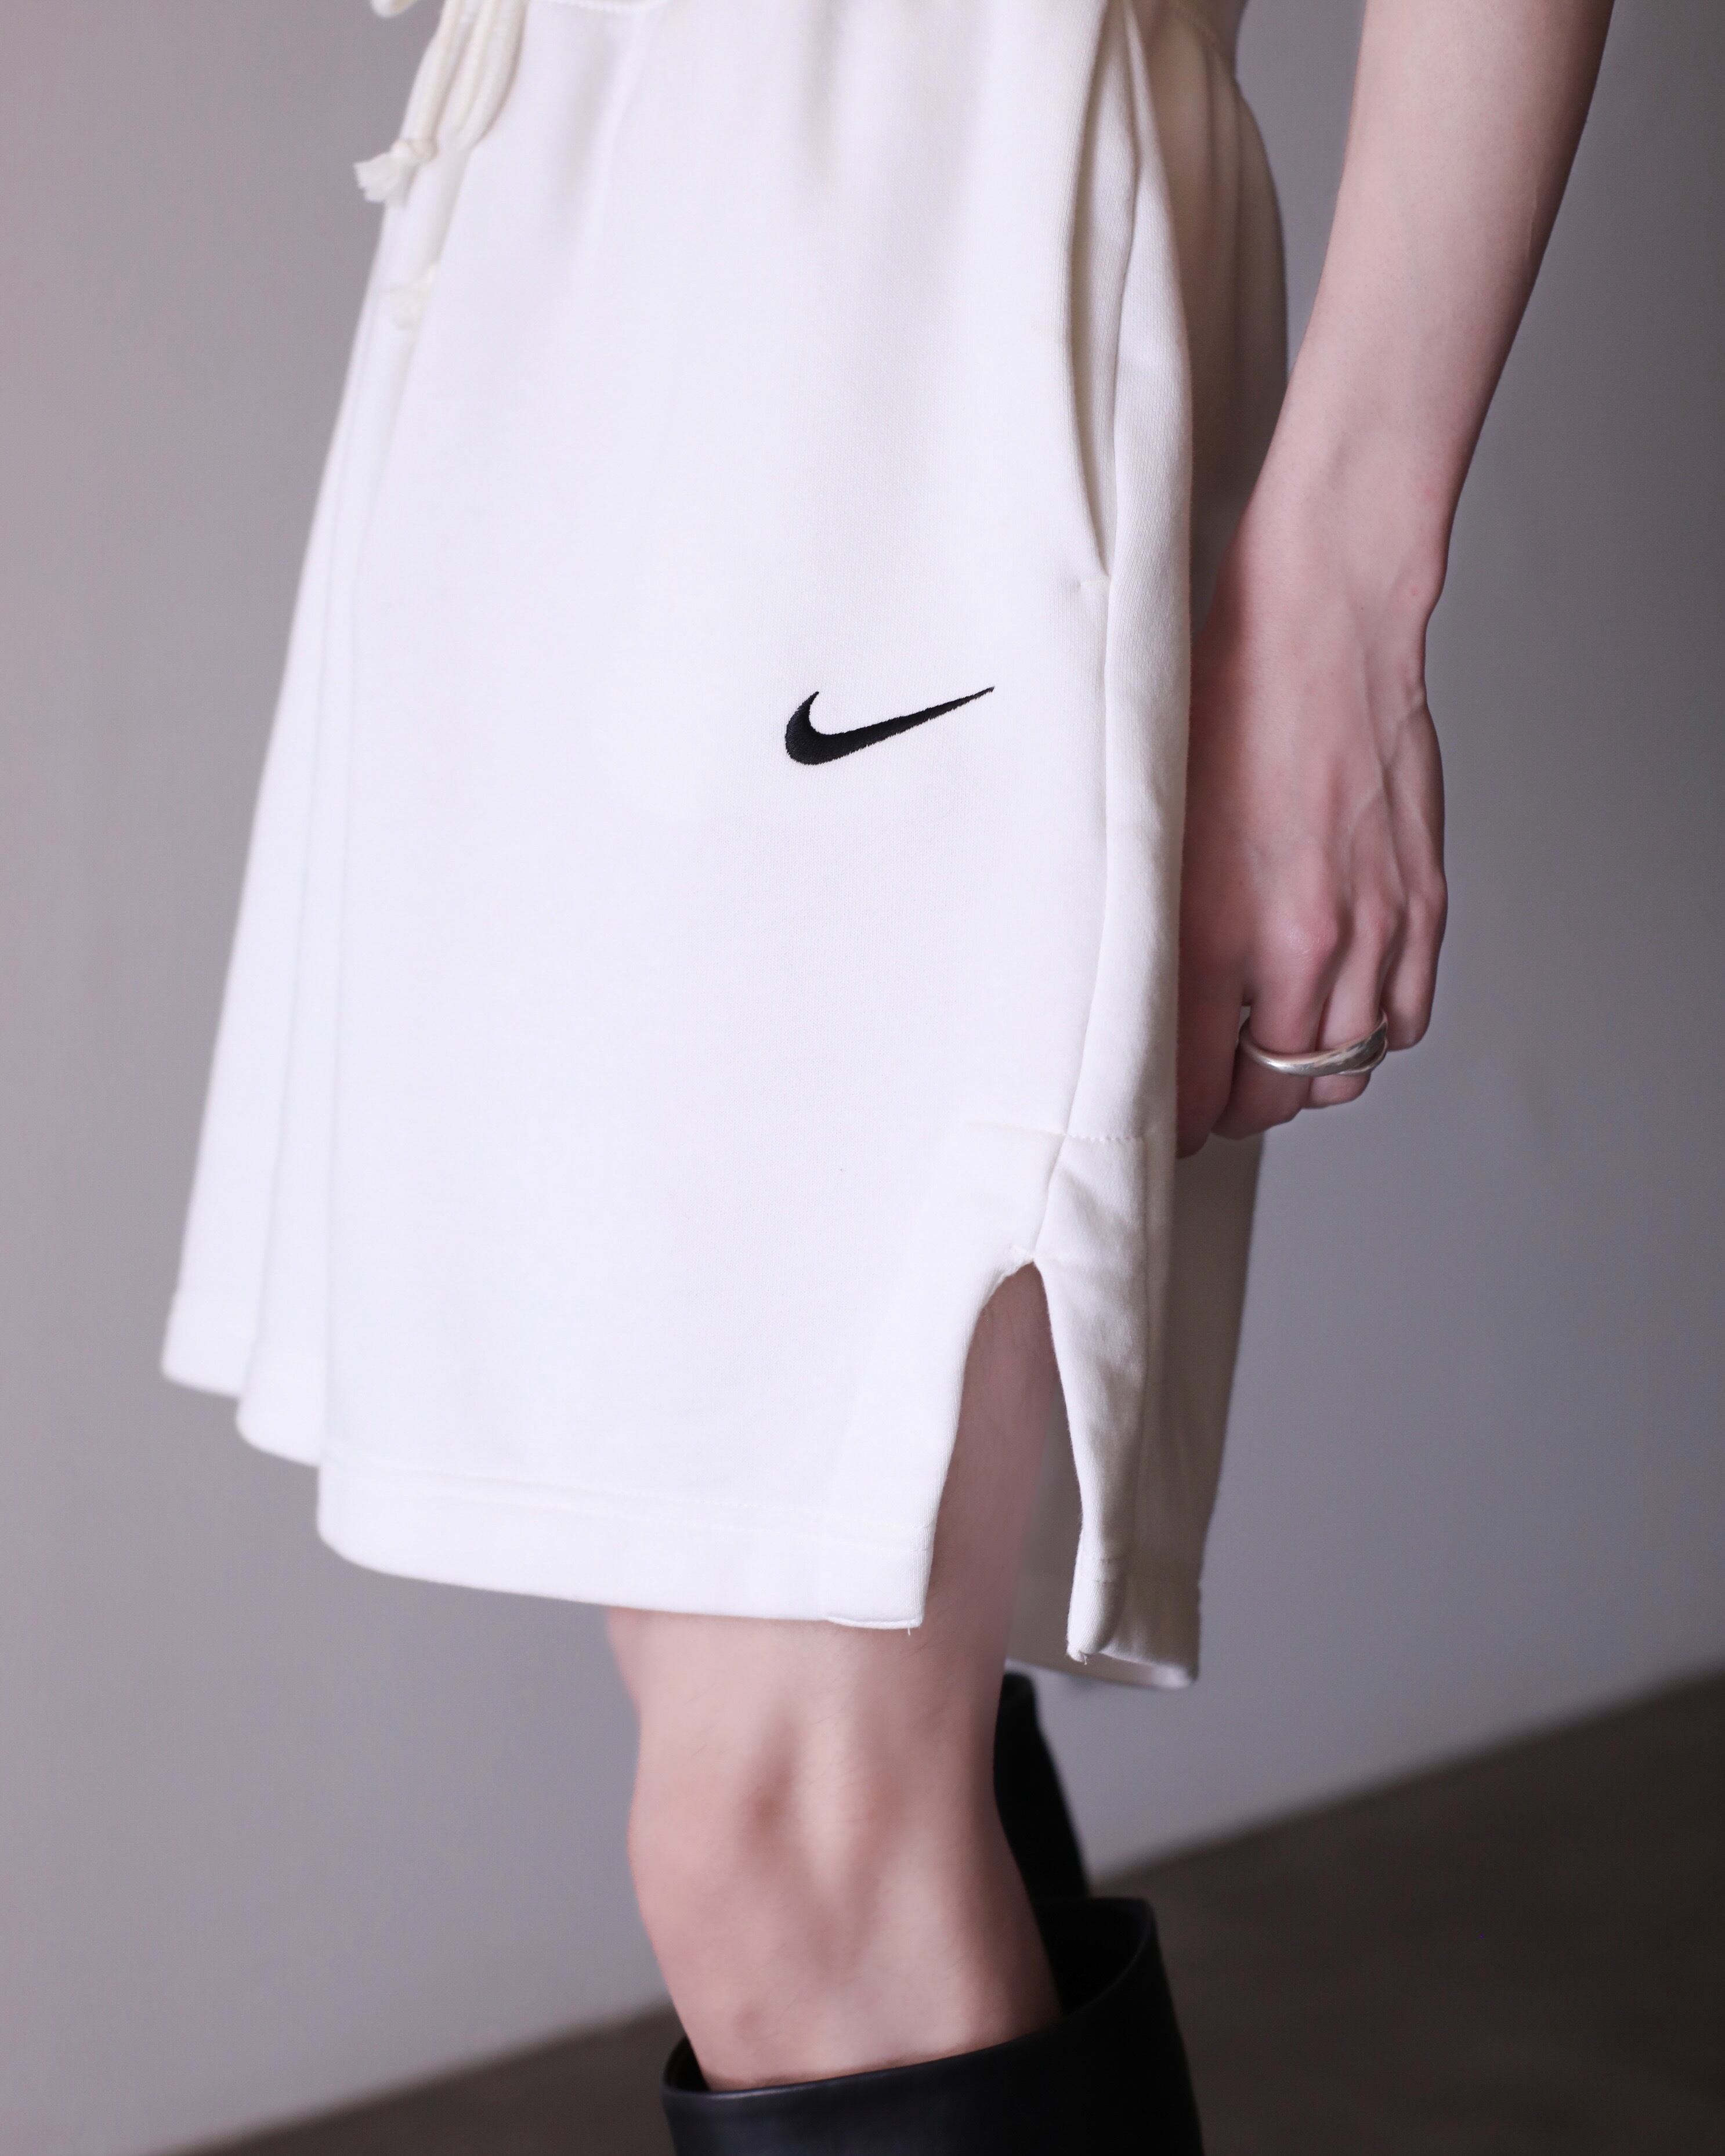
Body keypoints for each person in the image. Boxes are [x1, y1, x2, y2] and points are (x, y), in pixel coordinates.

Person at [162, 0, 1612, 2145]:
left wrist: (1343, 578)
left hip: (923, 277)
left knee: (787, 1837)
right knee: (790, 1679)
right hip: (557, 247)